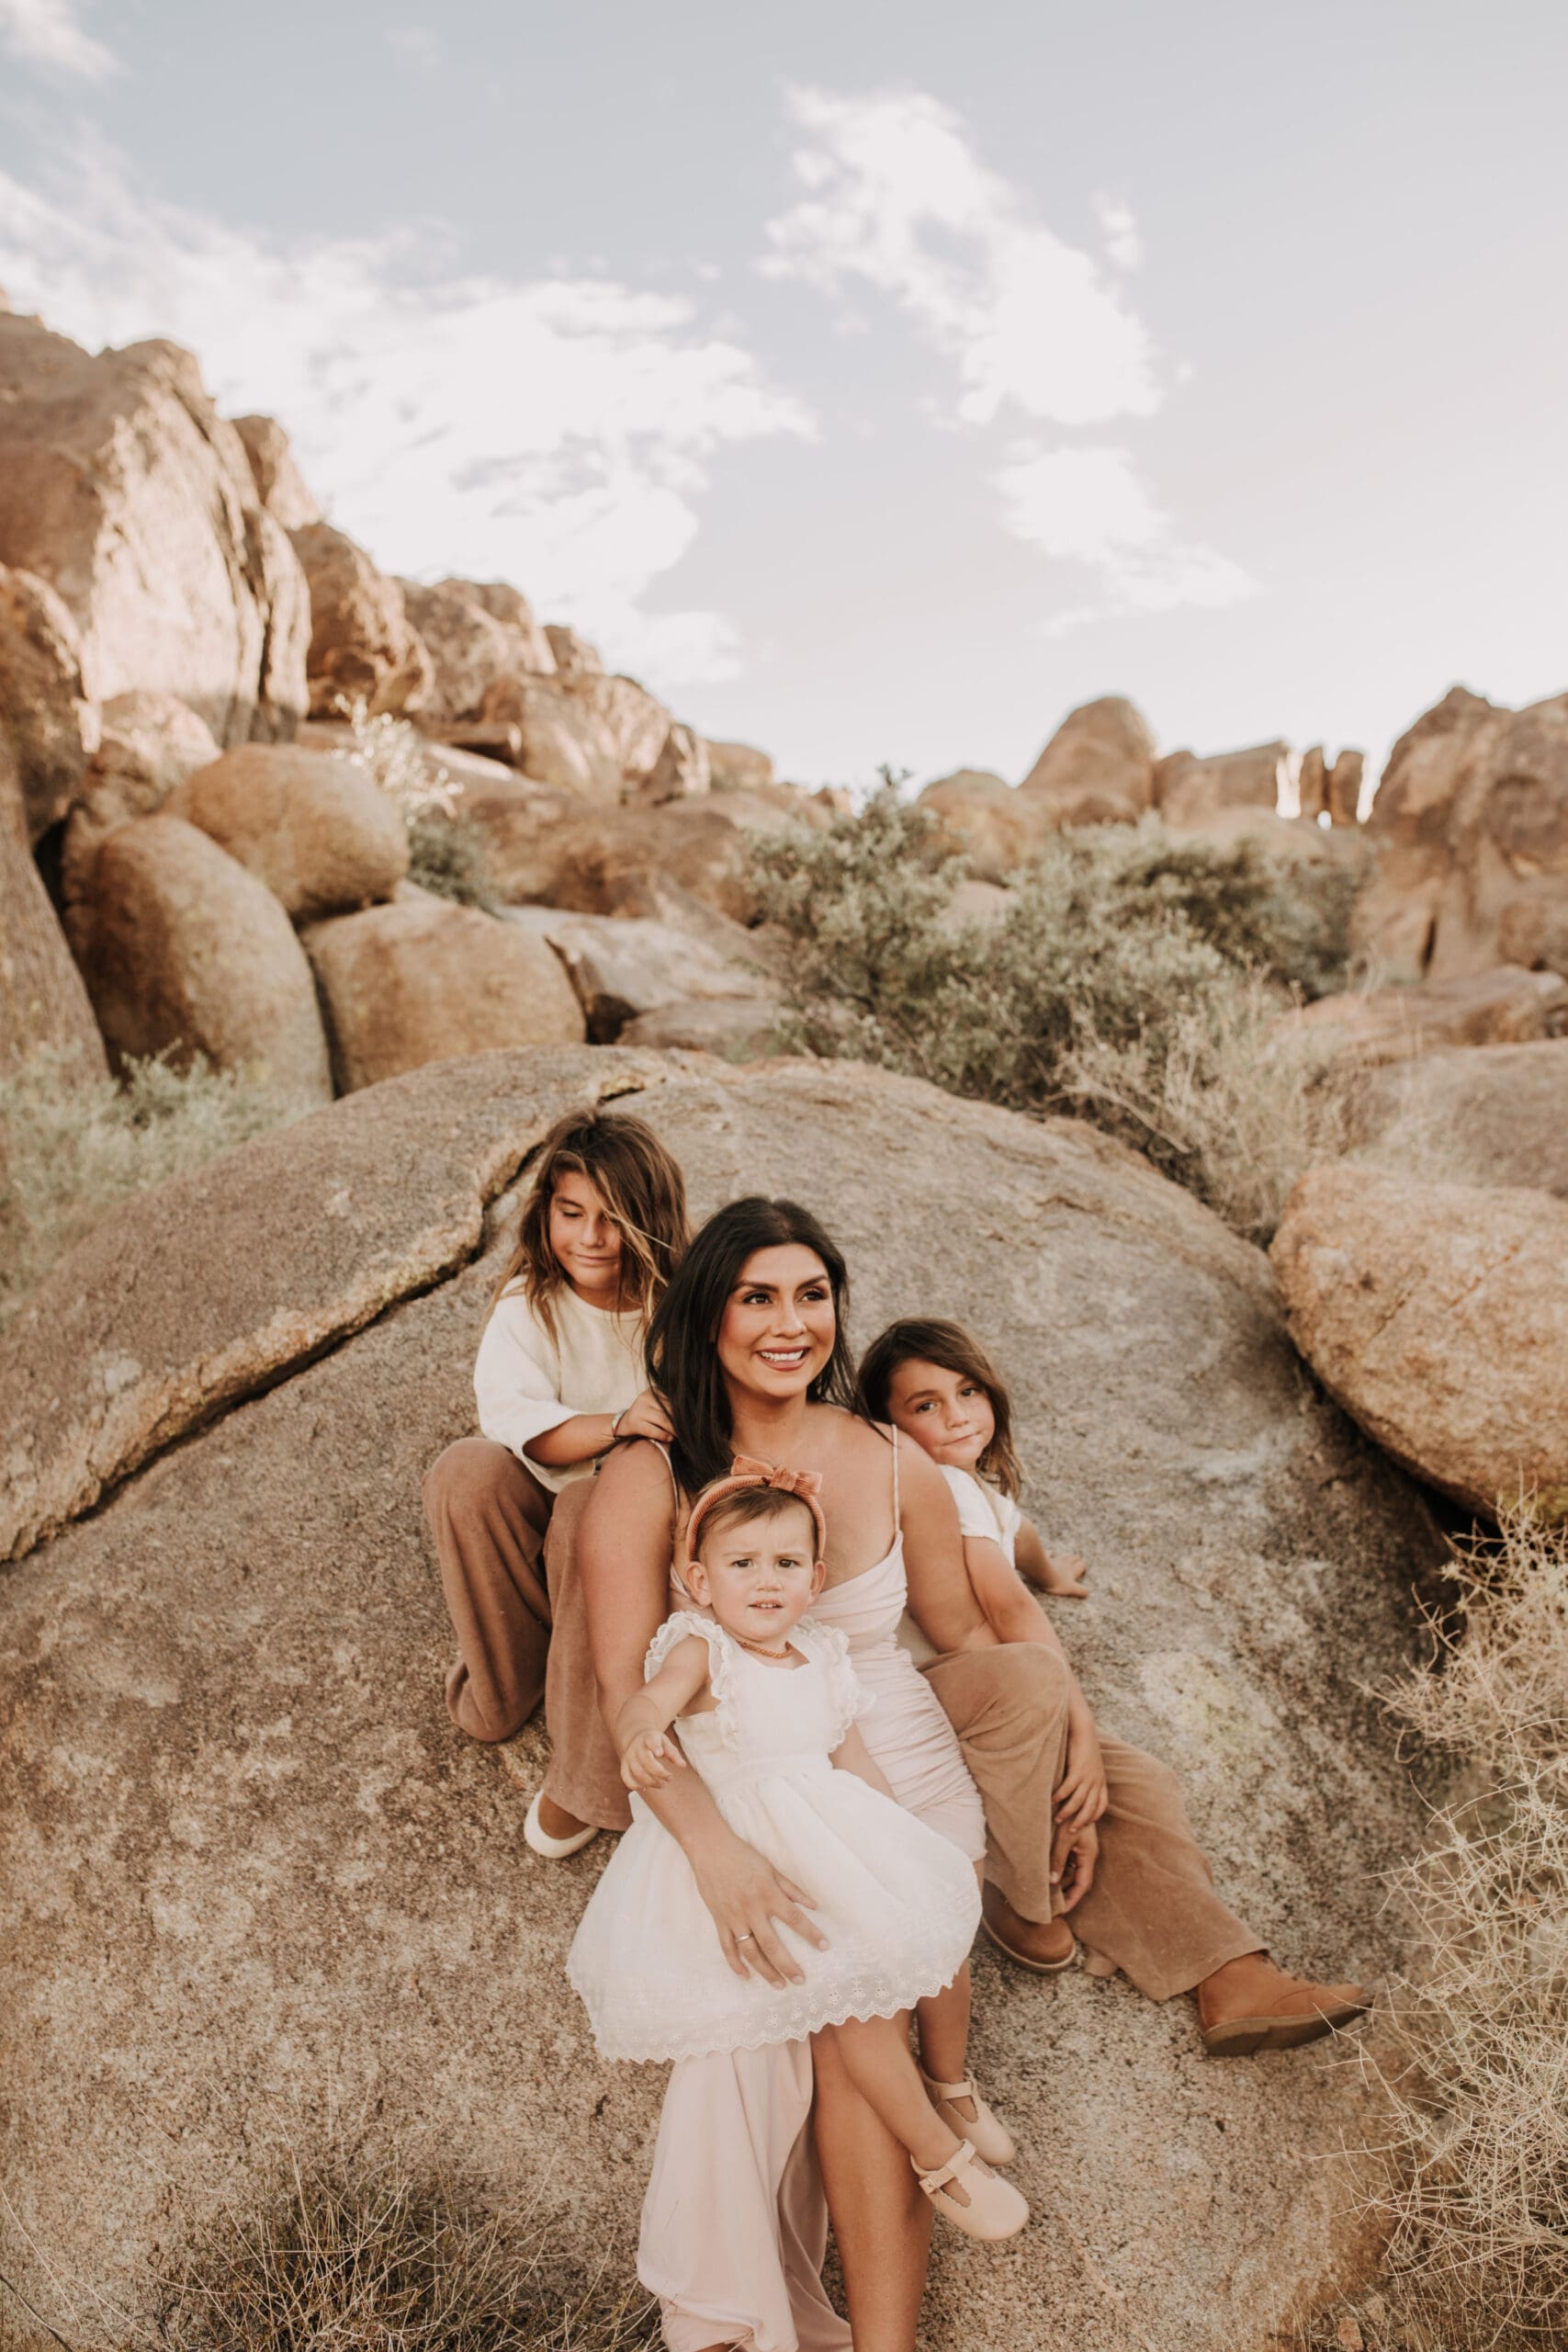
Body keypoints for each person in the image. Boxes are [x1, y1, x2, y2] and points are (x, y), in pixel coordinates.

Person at [567, 1460, 1027, 2307]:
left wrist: (904, 1852)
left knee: (934, 1927)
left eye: (785, 1564)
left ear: (816, 1580)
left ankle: (952, 2082)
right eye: (741, 1564)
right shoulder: (700, 1647)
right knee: (847, 1998)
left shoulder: (822, 1652)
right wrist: (639, 1735)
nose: (765, 1581)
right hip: (765, 1855)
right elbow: (644, 1699)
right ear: (699, 1581)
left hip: (839, 1831)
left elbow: (850, 1763)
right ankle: (938, 2158)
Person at [856, 1313, 1371, 2050]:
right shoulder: (935, 1483)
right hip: (935, 1704)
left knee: (1140, 1786)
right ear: (891, 1428)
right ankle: (1017, 1885)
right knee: (1067, 1740)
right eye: (924, 1405)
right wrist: (1084, 1734)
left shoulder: (977, 1491)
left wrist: (1050, 1571)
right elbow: (1002, 1606)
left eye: (967, 1390)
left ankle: (1231, 1978)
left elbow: (1014, 1538)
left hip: (983, 1699)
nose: (956, 1414)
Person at [422, 1107, 689, 1855]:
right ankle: (509, 1678)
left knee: (585, 1507)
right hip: (548, 1507)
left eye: (614, 1218)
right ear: (546, 1215)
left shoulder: (676, 1307)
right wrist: (618, 1422)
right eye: (571, 1214)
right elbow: (520, 1421)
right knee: (465, 1473)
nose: (592, 1238)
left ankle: (586, 1776)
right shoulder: (530, 1306)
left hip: (643, 1529)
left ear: (651, 1218)